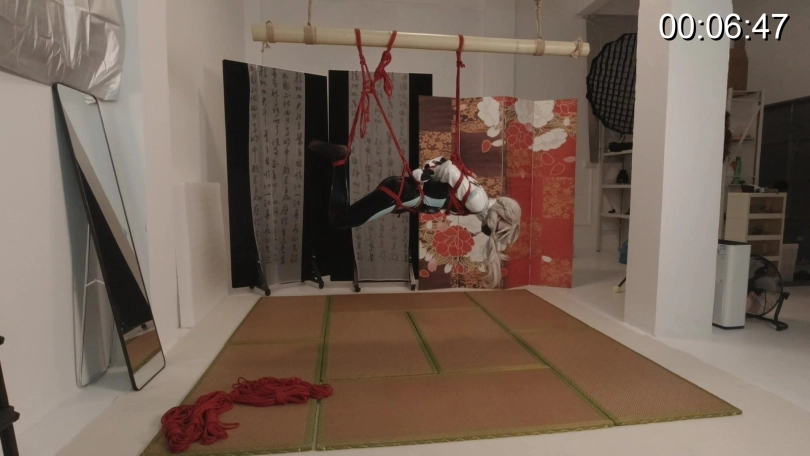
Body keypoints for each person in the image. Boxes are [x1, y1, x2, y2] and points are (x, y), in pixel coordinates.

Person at [309, 140, 522, 287]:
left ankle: (339, 161)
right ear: (502, 215)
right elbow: (449, 169)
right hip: (401, 194)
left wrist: (425, 171)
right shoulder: (478, 202)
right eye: (501, 229)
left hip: (401, 191)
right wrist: (426, 173)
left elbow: (442, 163)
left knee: (343, 218)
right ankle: (339, 160)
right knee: (340, 220)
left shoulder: (481, 199)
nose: (494, 231)